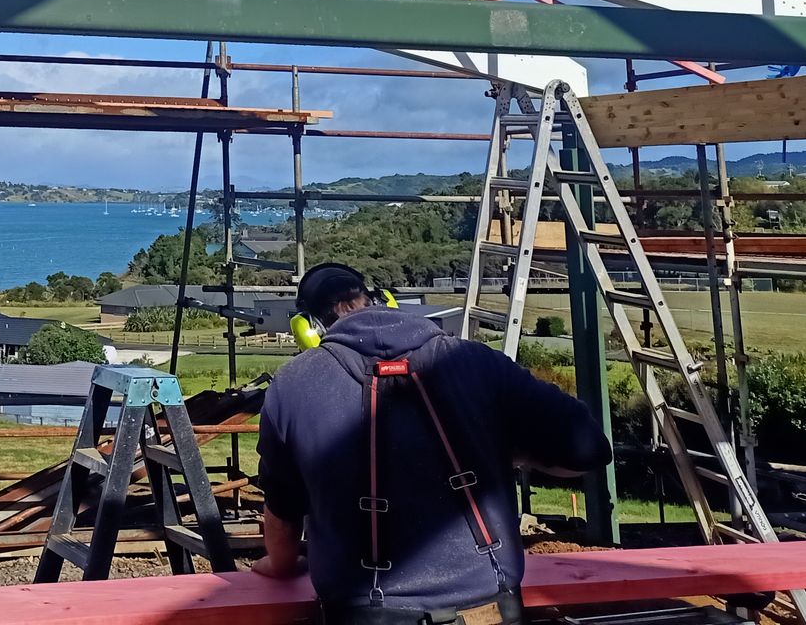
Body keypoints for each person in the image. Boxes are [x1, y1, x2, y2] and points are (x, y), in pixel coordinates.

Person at [253, 262, 611, 624]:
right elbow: (588, 449)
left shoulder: (292, 384)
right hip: (489, 609)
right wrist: (507, 453)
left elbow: (282, 512)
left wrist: (279, 563)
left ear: (309, 328)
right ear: (385, 302)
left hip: (364, 613)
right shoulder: (478, 361)